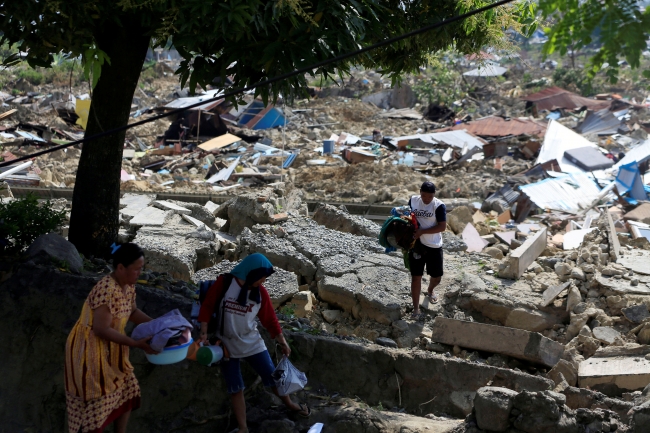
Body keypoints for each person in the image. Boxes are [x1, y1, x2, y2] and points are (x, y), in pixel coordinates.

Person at [198, 253, 310, 433]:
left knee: (272, 377)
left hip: (252, 343)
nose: (264, 281)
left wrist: (282, 341)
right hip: (226, 344)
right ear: (251, 272)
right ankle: (243, 428)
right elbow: (208, 305)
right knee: (236, 388)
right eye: (262, 276)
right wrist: (203, 332)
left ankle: (290, 404)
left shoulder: (261, 293)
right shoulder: (226, 284)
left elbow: (270, 320)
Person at [64, 243, 157, 433]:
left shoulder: (128, 287)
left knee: (128, 387)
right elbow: (101, 329)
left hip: (111, 350)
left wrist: (158, 325)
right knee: (97, 400)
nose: (140, 273)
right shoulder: (106, 289)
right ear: (121, 267)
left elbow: (132, 311)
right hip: (90, 352)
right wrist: (134, 343)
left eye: (141, 268)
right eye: (136, 269)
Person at [408, 181, 447, 318]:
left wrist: (422, 231)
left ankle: (430, 290)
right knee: (416, 277)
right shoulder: (413, 200)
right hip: (417, 246)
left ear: (434, 195)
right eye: (424, 196)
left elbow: (442, 227)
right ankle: (416, 309)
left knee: (436, 277)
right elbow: (408, 216)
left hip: (434, 245)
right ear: (420, 192)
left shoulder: (439, 206)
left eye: (429, 197)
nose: (426, 199)